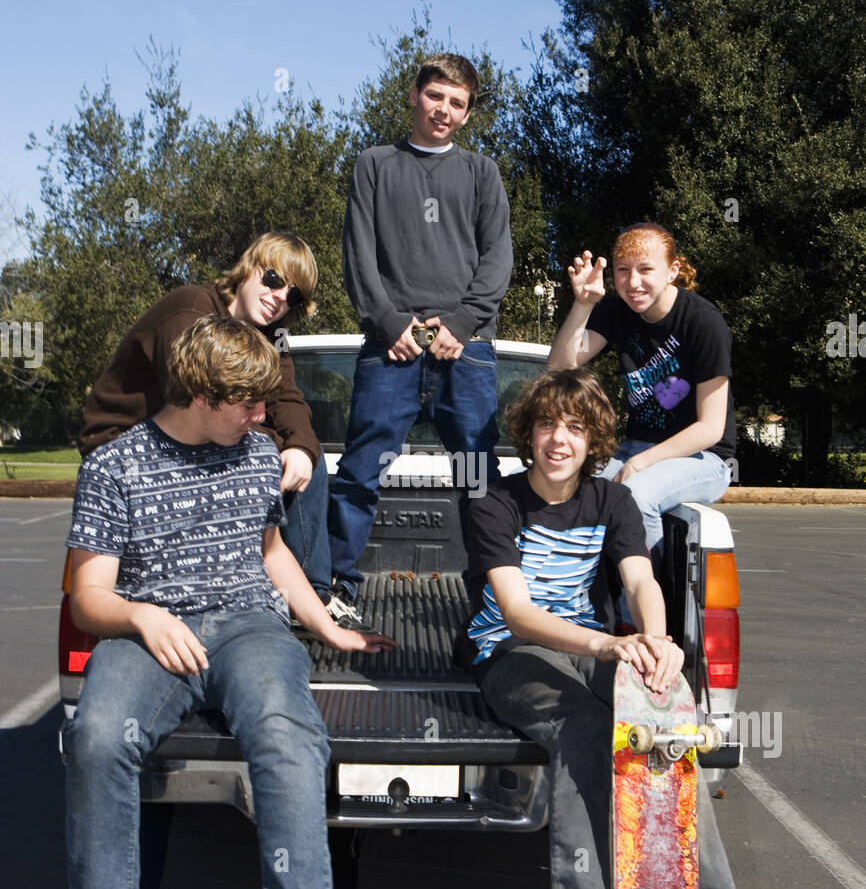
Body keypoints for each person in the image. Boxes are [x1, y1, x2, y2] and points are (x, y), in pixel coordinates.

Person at [62, 317, 392, 889]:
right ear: (203, 394)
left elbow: (271, 553)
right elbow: (90, 597)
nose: (261, 418)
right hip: (148, 633)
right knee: (94, 739)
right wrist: (144, 619)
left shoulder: (256, 455)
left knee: (285, 734)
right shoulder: (114, 467)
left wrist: (327, 625)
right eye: (249, 405)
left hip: (249, 628)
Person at [463, 368, 753, 889]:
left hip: (596, 645)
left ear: (593, 438)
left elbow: (642, 581)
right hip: (509, 654)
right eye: (546, 425)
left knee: (667, 727)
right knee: (584, 730)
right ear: (527, 434)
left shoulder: (613, 501)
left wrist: (653, 641)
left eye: (573, 427)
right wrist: (608, 645)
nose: (558, 439)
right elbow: (518, 612)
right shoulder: (495, 502)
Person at [326, 54, 513, 626]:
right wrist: (390, 324)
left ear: (467, 112)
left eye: (458, 103)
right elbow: (358, 256)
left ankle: (492, 600)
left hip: (468, 350)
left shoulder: (482, 173)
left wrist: (460, 326)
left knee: (480, 478)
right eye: (436, 97)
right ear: (414, 96)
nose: (445, 110)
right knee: (360, 471)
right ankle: (339, 590)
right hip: (391, 349)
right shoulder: (375, 165)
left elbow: (497, 259)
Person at [79, 230, 332, 602]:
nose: (279, 297)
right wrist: (270, 450)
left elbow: (286, 397)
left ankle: (311, 595)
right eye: (274, 278)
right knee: (266, 455)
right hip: (124, 439)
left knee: (307, 455)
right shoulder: (192, 309)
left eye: (292, 294)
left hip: (200, 426)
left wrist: (299, 448)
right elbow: (196, 404)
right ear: (248, 269)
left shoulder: (271, 335)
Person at [547, 223, 735, 579]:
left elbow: (710, 428)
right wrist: (583, 305)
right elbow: (559, 367)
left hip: (704, 458)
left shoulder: (703, 322)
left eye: (646, 269)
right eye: (623, 270)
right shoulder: (617, 312)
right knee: (570, 489)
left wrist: (642, 462)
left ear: (673, 271)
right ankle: (577, 608)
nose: (633, 283)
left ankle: (642, 618)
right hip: (636, 447)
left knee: (634, 496)